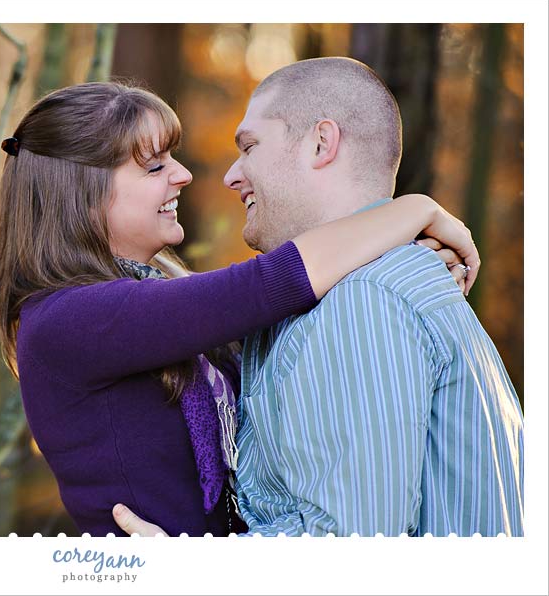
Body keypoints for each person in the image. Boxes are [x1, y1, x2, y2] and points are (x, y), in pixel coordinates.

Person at [0, 81, 478, 537]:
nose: (183, 175)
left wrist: (390, 252)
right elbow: (270, 285)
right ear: (82, 195)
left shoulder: (145, 297)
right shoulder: (71, 319)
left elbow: (283, 320)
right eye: (154, 166)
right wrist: (415, 210)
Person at [112, 58, 523, 537]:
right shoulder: (362, 288)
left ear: (321, 143)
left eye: (249, 147)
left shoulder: (362, 299)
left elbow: (349, 549)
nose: (231, 175)